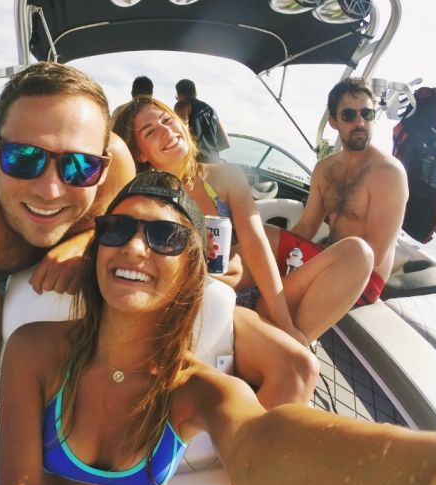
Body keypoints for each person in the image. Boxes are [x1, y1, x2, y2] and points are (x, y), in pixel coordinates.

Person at [0, 171, 436, 485]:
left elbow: (265, 438)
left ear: (192, 271)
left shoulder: (198, 390)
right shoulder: (34, 349)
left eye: (165, 236)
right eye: (116, 230)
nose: (134, 248)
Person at [113, 97, 373, 407]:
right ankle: (273, 361)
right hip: (213, 305)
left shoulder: (223, 177)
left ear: (181, 122)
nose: (166, 132)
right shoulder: (147, 194)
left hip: (251, 299)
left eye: (167, 121)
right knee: (299, 365)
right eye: (150, 131)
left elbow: (255, 242)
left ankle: (279, 343)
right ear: (140, 151)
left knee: (358, 253)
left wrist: (285, 323)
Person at [0, 62, 135, 428]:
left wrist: (90, 239)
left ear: (103, 168)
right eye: (24, 158)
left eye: (80, 167)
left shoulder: (119, 172)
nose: (49, 190)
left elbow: (130, 227)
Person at [282, 77, 409, 305]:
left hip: (364, 277)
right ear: (333, 121)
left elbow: (373, 254)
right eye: (350, 115)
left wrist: (307, 267)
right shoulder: (324, 169)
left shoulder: (389, 173)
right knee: (265, 239)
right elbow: (306, 228)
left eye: (367, 114)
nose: (360, 122)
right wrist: (269, 250)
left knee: (274, 293)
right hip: (327, 258)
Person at [175, 78, 229, 163]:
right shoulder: (211, 110)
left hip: (196, 164)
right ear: (195, 92)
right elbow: (225, 142)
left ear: (178, 94)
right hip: (215, 163)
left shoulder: (182, 104)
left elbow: (181, 134)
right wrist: (208, 153)